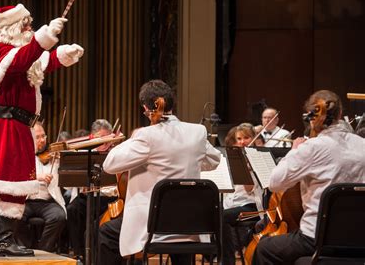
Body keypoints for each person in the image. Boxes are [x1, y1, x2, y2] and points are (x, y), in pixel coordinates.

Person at [0, 3, 84, 256]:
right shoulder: (2, 52)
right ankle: (1, 239)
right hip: (7, 125)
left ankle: (2, 239)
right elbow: (23, 59)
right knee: (13, 181)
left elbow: (39, 61)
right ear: (10, 29)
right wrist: (46, 35)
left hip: (17, 125)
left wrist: (62, 55)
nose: (30, 28)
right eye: (26, 24)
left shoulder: (21, 52)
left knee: (16, 182)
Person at [97, 79, 222, 265]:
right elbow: (214, 160)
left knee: (106, 232)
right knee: (181, 230)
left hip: (154, 226)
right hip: (190, 223)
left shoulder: (146, 136)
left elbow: (109, 164)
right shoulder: (197, 132)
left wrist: (132, 138)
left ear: (147, 109)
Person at [254, 90, 365, 264]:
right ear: (340, 114)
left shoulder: (312, 147)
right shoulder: (363, 144)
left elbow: (275, 183)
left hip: (316, 239)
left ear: (311, 117)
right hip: (359, 238)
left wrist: (294, 152)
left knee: (265, 248)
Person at [66, 119, 118, 260]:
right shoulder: (85, 153)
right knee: (72, 209)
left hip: (108, 198)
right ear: (93, 137)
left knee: (94, 226)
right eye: (102, 140)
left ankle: (97, 257)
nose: (106, 145)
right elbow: (68, 183)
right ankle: (79, 254)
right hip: (89, 196)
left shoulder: (115, 153)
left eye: (108, 140)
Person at [15, 122, 66, 252]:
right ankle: (27, 248)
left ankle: (43, 250)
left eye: (43, 136)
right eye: (37, 137)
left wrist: (64, 160)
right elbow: (18, 176)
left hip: (48, 202)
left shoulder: (55, 156)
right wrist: (38, 177)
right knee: (14, 215)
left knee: (59, 216)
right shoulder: (22, 155)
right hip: (27, 200)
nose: (42, 140)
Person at [222, 123, 260, 265]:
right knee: (211, 212)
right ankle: (214, 254)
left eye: (246, 137)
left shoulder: (257, 157)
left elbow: (249, 189)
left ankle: (227, 261)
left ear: (254, 139)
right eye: (239, 139)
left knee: (223, 216)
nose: (242, 142)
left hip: (252, 206)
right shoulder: (235, 158)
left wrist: (247, 169)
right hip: (234, 203)